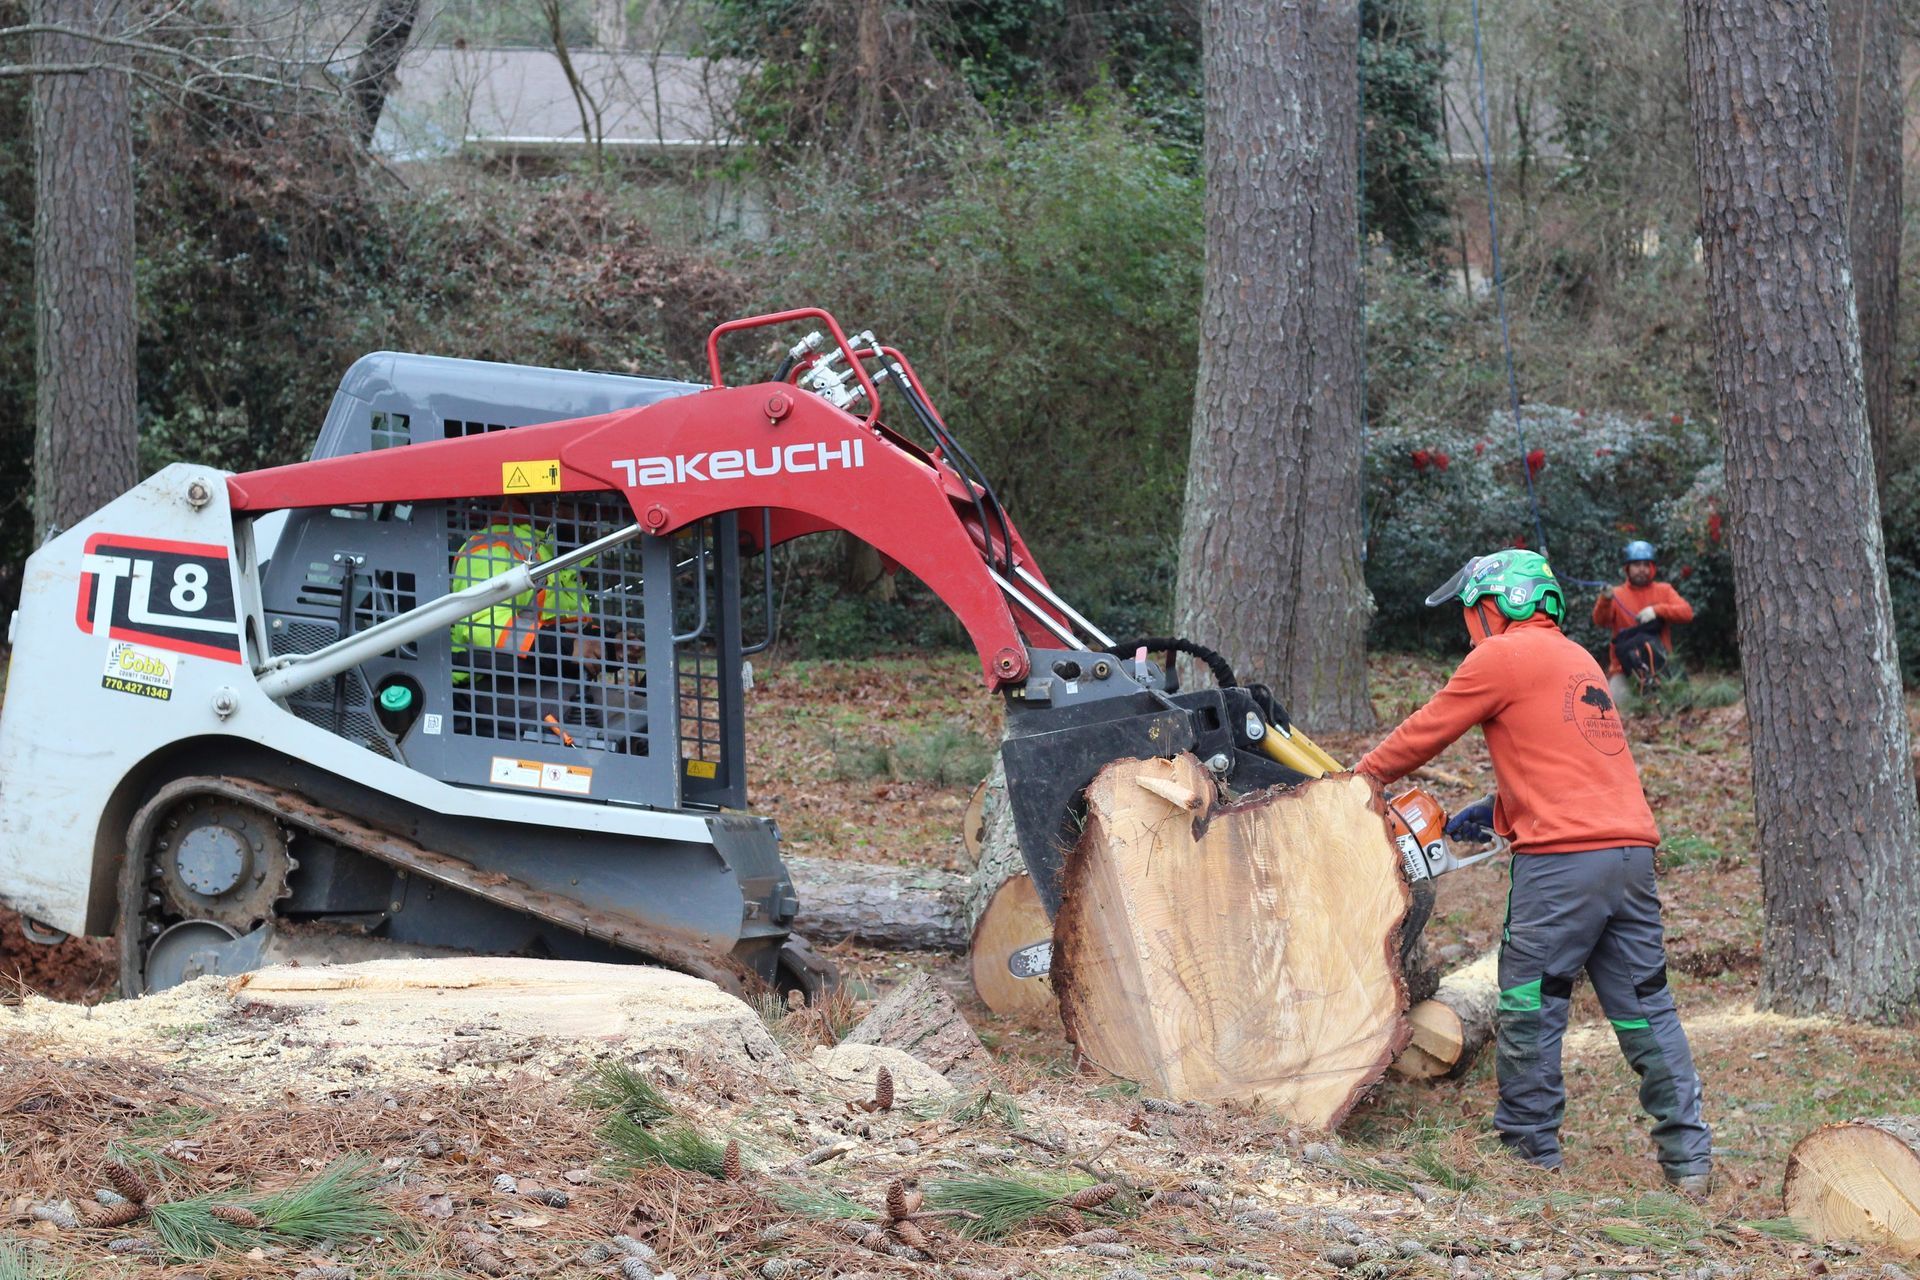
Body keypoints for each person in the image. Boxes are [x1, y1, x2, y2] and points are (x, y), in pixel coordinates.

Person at [1354, 549, 1711, 1194]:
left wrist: (1359, 779)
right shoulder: (1577, 659)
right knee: (1644, 1008)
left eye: (1471, 614)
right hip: (1629, 858)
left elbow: (1423, 733)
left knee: (1528, 1001)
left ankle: (1528, 1157)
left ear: (1498, 605)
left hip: (1562, 865)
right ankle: (1689, 1163)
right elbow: (1576, 764)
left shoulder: (1500, 656)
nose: (1470, 629)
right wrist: (1496, 807)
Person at [1592, 540, 1694, 703]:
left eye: (1646, 565)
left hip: (1660, 664)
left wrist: (1657, 610)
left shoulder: (1664, 590)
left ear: (1652, 567)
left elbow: (1687, 613)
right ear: (1628, 568)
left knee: (1679, 702)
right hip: (1624, 670)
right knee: (1620, 706)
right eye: (1637, 564)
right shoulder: (1617, 594)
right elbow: (1600, 621)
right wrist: (1605, 600)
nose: (1642, 570)